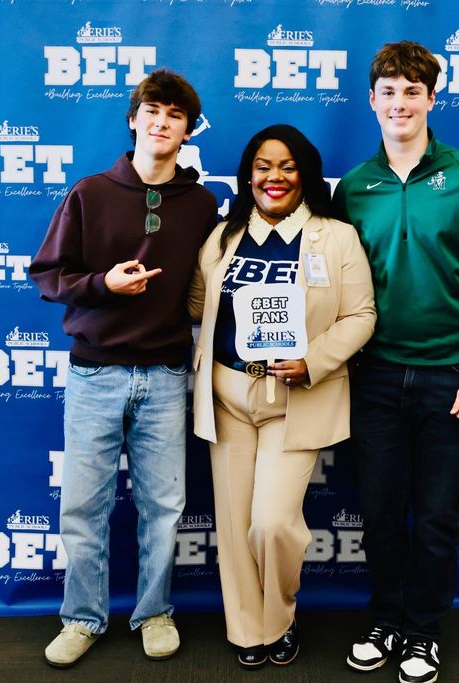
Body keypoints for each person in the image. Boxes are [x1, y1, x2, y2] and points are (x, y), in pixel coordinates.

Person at [332, 41, 459, 683]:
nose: (400, 103)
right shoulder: (355, 187)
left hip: (453, 378)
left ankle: (422, 632)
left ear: (431, 99)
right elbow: (332, 281)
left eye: (413, 91)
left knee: (437, 514)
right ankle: (385, 618)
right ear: (372, 101)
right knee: (381, 512)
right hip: (376, 378)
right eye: (389, 92)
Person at [30, 69, 217, 668]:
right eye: (152, 111)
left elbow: (207, 286)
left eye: (175, 115)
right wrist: (102, 284)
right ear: (134, 119)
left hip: (165, 375)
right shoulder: (89, 192)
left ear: (187, 130)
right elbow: (48, 275)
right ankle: (82, 618)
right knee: (84, 506)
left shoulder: (202, 202)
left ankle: (154, 612)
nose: (162, 122)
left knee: (164, 506)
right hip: (95, 374)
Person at [188, 124, 376, 669]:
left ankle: (280, 618)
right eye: (263, 166)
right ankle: (248, 630)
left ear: (305, 175)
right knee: (232, 520)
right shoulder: (222, 236)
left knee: (272, 522)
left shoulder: (335, 237)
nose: (274, 177)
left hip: (295, 398)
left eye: (287, 166)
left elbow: (362, 315)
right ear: (248, 174)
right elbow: (199, 305)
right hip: (227, 395)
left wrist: (313, 360)